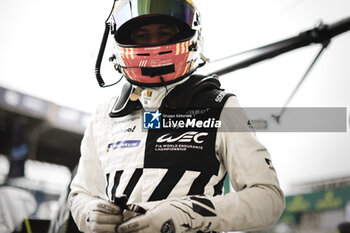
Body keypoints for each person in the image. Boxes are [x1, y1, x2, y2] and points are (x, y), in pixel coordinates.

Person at [68, 0, 285, 232]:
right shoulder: (105, 115)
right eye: (142, 35)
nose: (153, 44)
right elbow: (82, 193)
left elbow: (268, 198)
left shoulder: (220, 106)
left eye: (164, 33)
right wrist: (90, 214)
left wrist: (189, 213)